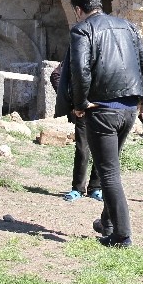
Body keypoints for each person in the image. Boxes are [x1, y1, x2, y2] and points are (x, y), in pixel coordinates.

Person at [68, 0, 143, 247]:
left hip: (102, 109)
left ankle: (121, 236)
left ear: (78, 10)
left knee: (109, 173)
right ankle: (106, 222)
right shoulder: (128, 27)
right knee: (111, 166)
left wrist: (80, 102)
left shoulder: (82, 29)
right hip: (128, 109)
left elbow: (81, 69)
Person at [51, 49, 102, 202]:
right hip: (83, 110)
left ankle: (96, 188)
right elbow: (56, 75)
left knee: (102, 149)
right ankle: (78, 188)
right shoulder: (80, 51)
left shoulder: (108, 51)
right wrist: (72, 101)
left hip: (104, 111)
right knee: (82, 149)